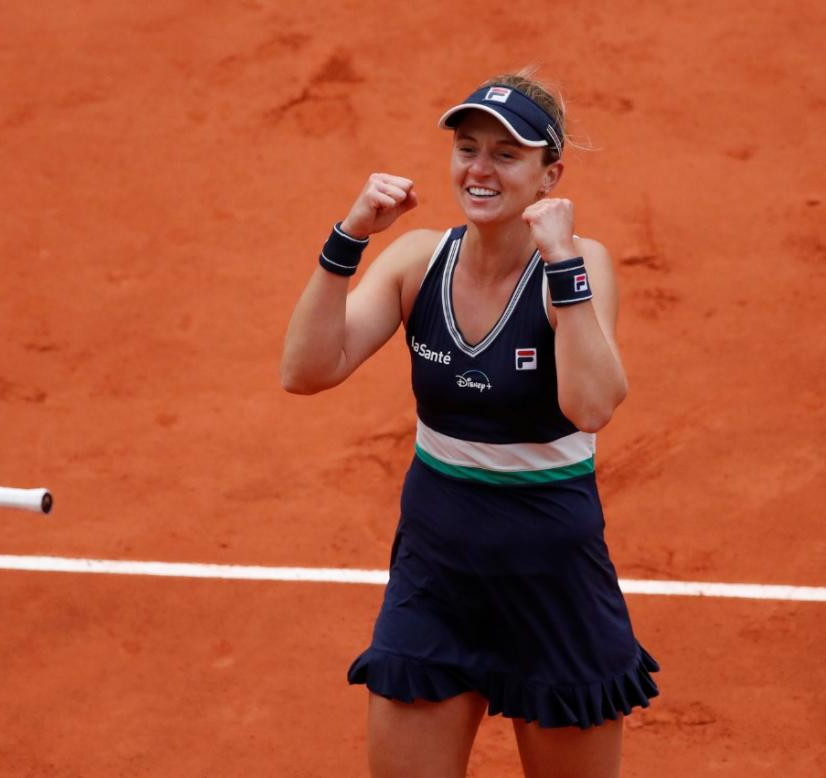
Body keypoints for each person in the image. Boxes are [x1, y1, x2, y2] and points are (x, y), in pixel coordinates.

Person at [280, 70, 659, 778]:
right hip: (437, 579)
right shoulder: (418, 260)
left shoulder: (582, 266)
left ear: (551, 175)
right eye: (467, 148)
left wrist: (563, 263)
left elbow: (592, 406)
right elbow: (306, 370)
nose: (479, 170)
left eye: (506, 155)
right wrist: (350, 235)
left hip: (555, 585)